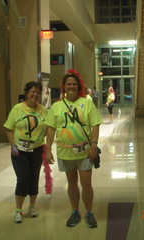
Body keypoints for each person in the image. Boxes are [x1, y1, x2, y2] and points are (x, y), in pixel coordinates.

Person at [44, 69, 103, 228]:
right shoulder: (56, 106)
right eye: (68, 84)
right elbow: (50, 128)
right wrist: (48, 149)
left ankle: (89, 212)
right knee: (71, 182)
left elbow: (95, 124)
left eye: (74, 84)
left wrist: (94, 145)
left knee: (86, 182)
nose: (71, 87)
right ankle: (75, 212)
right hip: (65, 152)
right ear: (64, 87)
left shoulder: (87, 103)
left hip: (85, 151)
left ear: (79, 86)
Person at [4, 81, 48, 224]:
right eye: (32, 91)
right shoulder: (17, 109)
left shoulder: (43, 111)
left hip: (37, 150)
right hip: (20, 152)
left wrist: (43, 140)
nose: (35, 94)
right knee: (23, 179)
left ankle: (33, 206)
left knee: (34, 178)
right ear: (27, 93)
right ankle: (18, 210)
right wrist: (13, 146)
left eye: (37, 92)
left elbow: (49, 127)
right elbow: (8, 128)